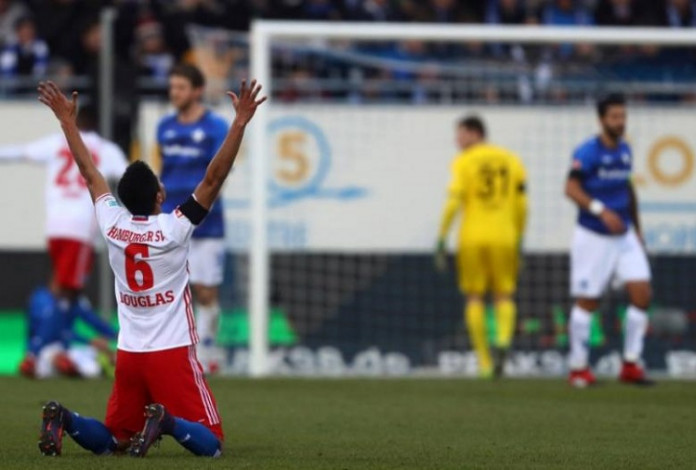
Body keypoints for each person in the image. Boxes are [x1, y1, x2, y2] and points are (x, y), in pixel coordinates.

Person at [35, 78, 265, 458]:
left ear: (122, 199)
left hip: (129, 353)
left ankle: (65, 418)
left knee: (115, 440)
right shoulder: (175, 227)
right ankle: (168, 422)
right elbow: (213, 178)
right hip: (171, 352)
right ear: (160, 196)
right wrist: (239, 122)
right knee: (214, 445)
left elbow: (90, 173)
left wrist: (67, 123)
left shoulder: (112, 224)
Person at [0, 104, 127, 375]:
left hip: (55, 226)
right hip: (79, 228)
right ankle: (40, 350)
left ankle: (54, 346)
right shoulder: (105, 149)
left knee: (65, 289)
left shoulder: (57, 143)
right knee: (66, 293)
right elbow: (131, 176)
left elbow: (20, 152)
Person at [565, 93, 653, 388]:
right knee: (588, 301)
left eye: (623, 116)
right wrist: (600, 211)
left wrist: (637, 229)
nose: (620, 122)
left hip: (625, 234)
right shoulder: (587, 152)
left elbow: (628, 191)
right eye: (615, 117)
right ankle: (578, 367)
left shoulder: (626, 150)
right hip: (594, 235)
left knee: (642, 293)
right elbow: (571, 188)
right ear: (602, 119)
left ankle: (630, 363)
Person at [435, 116, 528, 378]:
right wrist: (520, 236)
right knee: (504, 295)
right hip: (505, 235)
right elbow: (523, 205)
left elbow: (454, 202)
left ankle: (485, 362)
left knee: (474, 297)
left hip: (472, 236)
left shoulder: (464, 161)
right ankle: (503, 339)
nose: (457, 141)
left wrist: (441, 237)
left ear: (475, 133)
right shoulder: (511, 159)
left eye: (460, 135)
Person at [156, 64, 229, 372]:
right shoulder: (164, 127)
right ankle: (171, 352)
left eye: (181, 87)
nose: (175, 93)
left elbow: (219, 172)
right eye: (172, 87)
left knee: (205, 290)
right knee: (170, 288)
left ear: (197, 91)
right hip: (169, 218)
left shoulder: (216, 127)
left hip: (206, 220)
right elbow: (163, 169)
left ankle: (209, 352)